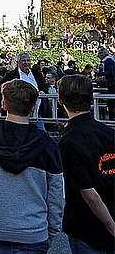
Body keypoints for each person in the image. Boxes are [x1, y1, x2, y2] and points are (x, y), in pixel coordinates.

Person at [0, 79, 64, 254]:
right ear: (33, 106)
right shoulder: (48, 145)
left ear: (3, 103)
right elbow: (56, 195)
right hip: (32, 230)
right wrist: (51, 230)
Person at [56, 75, 115, 253]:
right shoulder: (108, 132)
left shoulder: (68, 141)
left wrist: (111, 226)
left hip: (85, 224)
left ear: (60, 100)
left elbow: (88, 193)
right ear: (91, 99)